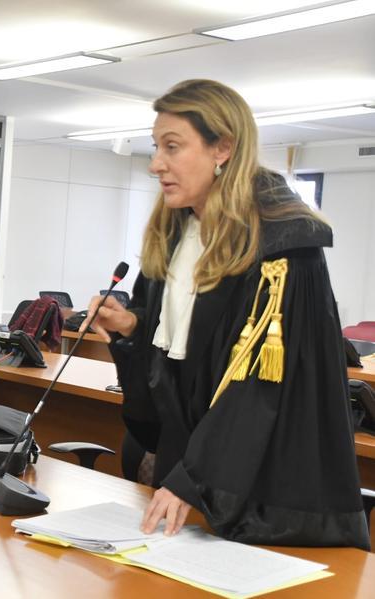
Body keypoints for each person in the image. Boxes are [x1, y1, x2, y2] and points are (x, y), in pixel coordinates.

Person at [83, 79, 369, 550]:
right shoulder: (176, 233)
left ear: (223, 148)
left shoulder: (283, 247)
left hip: (258, 486)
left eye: (172, 147)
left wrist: (193, 478)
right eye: (156, 147)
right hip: (188, 471)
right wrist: (131, 326)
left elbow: (262, 386)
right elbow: (179, 355)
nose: (156, 164)